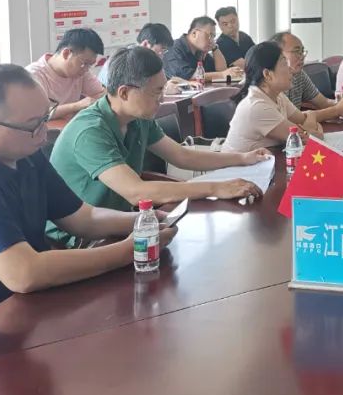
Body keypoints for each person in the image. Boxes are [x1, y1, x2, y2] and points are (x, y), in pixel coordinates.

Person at [0, 65, 178, 342]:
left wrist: (144, 220)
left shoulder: (26, 155)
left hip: (17, 314)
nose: (44, 134)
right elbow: (25, 273)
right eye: (33, 125)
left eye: (46, 117)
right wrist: (130, 250)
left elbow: (83, 218)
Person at [48, 46, 268, 247]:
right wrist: (216, 188)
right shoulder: (90, 131)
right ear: (124, 92)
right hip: (77, 242)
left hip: (122, 223)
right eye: (156, 92)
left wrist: (242, 158)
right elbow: (136, 191)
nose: (162, 99)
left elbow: (182, 156)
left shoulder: (138, 118)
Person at [222, 42, 324, 153]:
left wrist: (311, 120)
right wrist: (313, 125)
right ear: (267, 74)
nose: (290, 69)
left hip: (265, 161)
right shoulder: (258, 106)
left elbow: (303, 122)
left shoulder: (278, 96)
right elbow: (304, 139)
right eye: (284, 63)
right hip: (238, 164)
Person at [271, 31, 343, 122]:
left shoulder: (299, 75)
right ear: (278, 55)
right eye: (297, 51)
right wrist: (337, 110)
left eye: (302, 51)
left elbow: (324, 102)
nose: (302, 57)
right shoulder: (272, 83)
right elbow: (293, 119)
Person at [25, 28, 105, 120]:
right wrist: (76, 106)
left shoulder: (81, 72)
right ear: (66, 54)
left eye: (90, 65)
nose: (86, 69)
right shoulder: (33, 75)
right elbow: (36, 114)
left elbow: (101, 94)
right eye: (85, 63)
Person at [162, 16, 239, 83]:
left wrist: (215, 48)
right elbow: (187, 76)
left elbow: (220, 70)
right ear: (194, 33)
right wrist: (222, 74)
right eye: (209, 35)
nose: (212, 40)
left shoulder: (200, 51)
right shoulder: (174, 48)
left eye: (213, 36)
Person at [99, 23, 176, 88]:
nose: (162, 55)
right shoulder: (130, 58)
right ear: (146, 44)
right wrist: (164, 89)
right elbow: (136, 89)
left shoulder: (142, 56)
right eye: (162, 49)